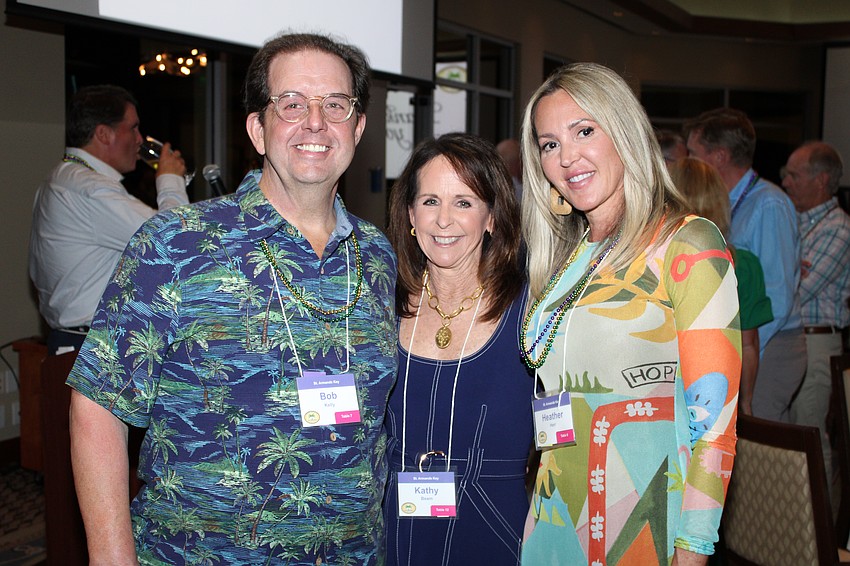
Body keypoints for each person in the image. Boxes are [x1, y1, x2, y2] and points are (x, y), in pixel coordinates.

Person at [66, 33, 398, 564]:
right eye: (291, 104)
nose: (316, 122)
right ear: (258, 130)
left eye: (336, 105)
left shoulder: (377, 254)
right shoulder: (175, 245)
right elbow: (97, 406)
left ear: (357, 128)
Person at [519, 62, 741, 565]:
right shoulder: (569, 254)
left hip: (642, 526)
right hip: (554, 520)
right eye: (549, 143)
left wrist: (694, 548)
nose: (566, 157)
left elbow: (715, 425)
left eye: (584, 131)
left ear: (624, 131)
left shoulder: (688, 244)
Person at [383, 133, 532, 565]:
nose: (443, 220)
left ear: (491, 217)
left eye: (463, 202)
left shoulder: (532, 313)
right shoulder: (379, 307)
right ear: (410, 214)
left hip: (494, 531)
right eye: (430, 201)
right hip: (394, 529)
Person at [29, 84, 189, 355]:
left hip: (73, 342)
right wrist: (170, 180)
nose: (140, 139)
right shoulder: (89, 189)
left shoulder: (61, 178)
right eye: (133, 128)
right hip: (92, 348)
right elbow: (175, 240)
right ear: (104, 133)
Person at [684, 108, 805, 423]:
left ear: (720, 156)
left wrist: (737, 361)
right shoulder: (726, 199)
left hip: (769, 346)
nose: (688, 161)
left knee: (762, 454)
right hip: (746, 343)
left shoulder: (769, 204)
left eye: (694, 153)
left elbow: (777, 298)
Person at [670, 157, 773, 415]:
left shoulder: (650, 261)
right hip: (718, 394)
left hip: (664, 389)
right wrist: (746, 403)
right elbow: (748, 345)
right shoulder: (744, 265)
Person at [782, 141, 850, 487]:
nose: (786, 182)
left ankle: (817, 534)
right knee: (789, 440)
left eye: (794, 175)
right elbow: (786, 280)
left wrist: (788, 275)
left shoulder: (839, 228)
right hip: (796, 341)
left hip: (817, 343)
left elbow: (795, 290)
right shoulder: (796, 219)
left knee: (810, 436)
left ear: (821, 180)